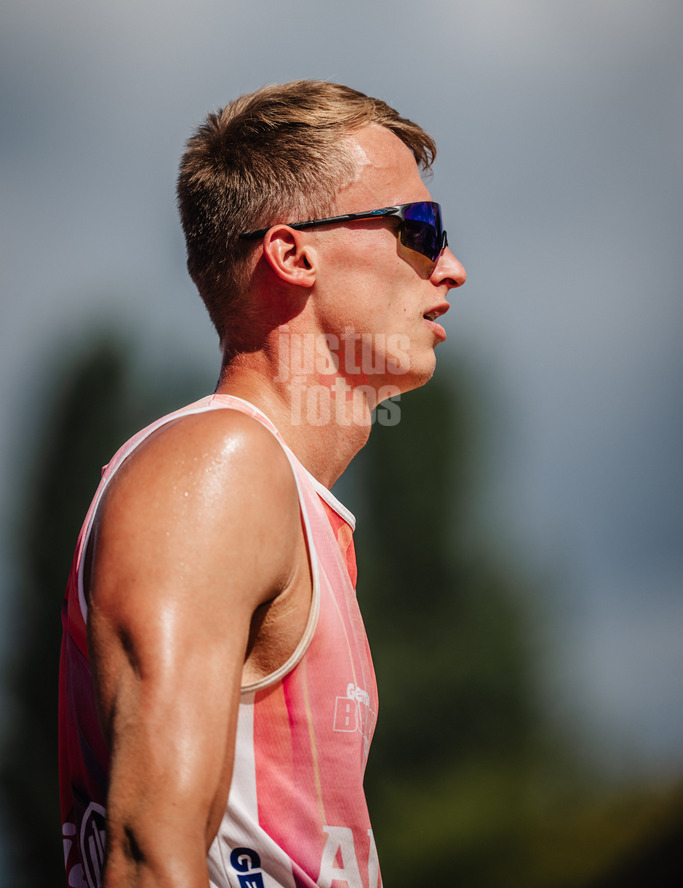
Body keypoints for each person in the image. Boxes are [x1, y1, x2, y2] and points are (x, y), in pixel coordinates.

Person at [59, 80, 466, 888]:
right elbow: (149, 860)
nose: (450, 267)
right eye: (419, 229)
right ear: (292, 254)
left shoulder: (287, 500)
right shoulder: (218, 466)